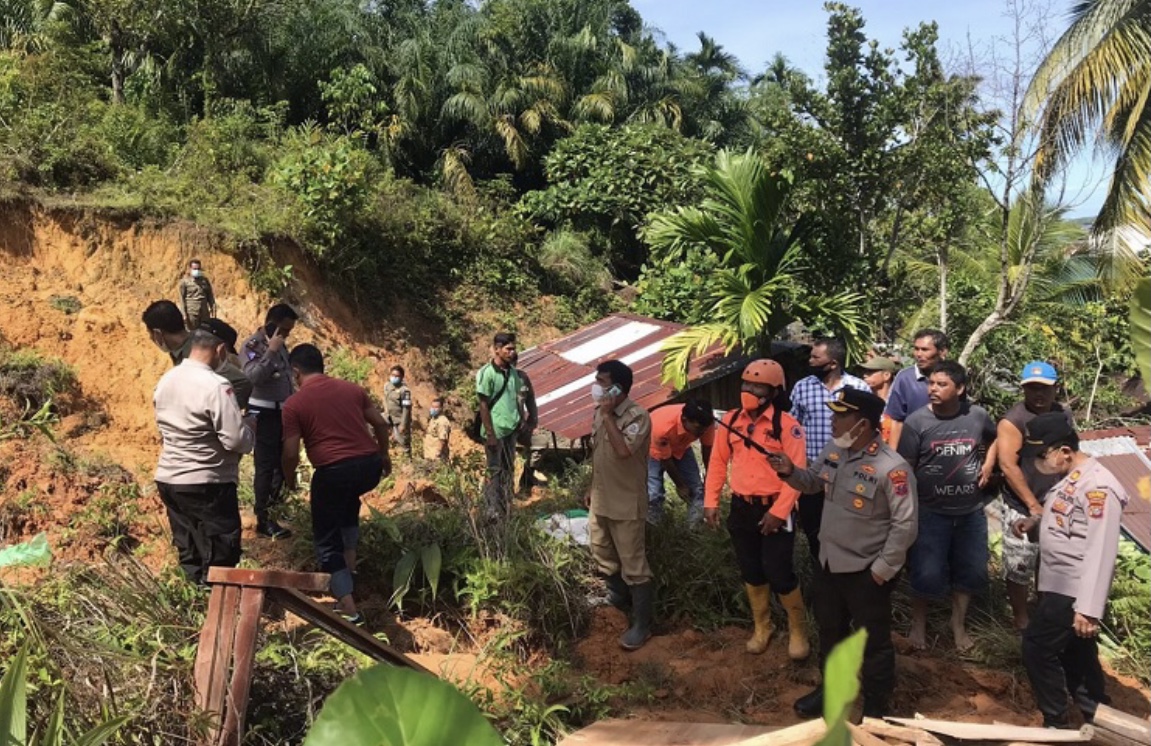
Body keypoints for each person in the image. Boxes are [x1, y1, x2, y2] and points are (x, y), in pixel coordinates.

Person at [771, 388, 918, 720]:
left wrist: (882, 570)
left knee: (872, 644)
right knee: (830, 632)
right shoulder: (835, 451)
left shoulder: (891, 468)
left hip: (867, 571)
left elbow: (905, 525)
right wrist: (788, 470)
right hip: (829, 563)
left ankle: (877, 708)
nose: (833, 421)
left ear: (862, 424)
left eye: (840, 416)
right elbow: (811, 482)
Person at [1011, 413, 1129, 729]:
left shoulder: (1098, 487)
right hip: (1058, 584)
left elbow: (1100, 549)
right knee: (1077, 657)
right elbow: (1066, 525)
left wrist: (1089, 609)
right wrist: (1034, 525)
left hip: (1072, 588)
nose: (1038, 463)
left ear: (1064, 451)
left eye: (1041, 456)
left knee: (1037, 647)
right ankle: (1100, 719)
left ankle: (1056, 720)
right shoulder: (1072, 479)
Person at [705, 359, 811, 660]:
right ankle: (763, 627)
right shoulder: (731, 420)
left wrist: (780, 511)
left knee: (779, 571)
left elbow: (797, 473)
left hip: (776, 508)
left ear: (773, 391)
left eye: (757, 385)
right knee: (751, 570)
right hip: (741, 507)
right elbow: (717, 462)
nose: (748, 390)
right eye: (746, 383)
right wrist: (711, 501)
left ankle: (798, 630)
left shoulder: (787, 427)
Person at [281, 344, 392, 626]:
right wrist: (384, 455)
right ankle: (351, 571)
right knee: (347, 506)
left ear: (296, 372)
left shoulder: (295, 404)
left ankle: (348, 608)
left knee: (326, 538)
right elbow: (380, 424)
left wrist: (289, 477)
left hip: (333, 471)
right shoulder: (352, 389)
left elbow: (291, 453)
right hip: (368, 467)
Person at [897, 360, 996, 651]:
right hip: (930, 511)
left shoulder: (977, 416)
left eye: (942, 384)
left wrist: (988, 465)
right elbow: (905, 466)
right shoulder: (917, 422)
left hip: (970, 512)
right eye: (931, 383)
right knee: (925, 572)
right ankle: (918, 626)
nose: (933, 389)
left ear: (960, 388)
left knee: (971, 570)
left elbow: (995, 439)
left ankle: (958, 624)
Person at [152, 328, 255, 584]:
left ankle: (194, 605)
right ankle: (218, 610)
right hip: (207, 481)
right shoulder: (217, 385)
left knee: (190, 551)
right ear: (220, 350)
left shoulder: (167, 379)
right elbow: (235, 440)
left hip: (170, 479)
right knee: (222, 553)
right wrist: (249, 427)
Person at [993, 361, 1074, 632]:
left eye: (1044, 389)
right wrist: (1032, 505)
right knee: (1020, 561)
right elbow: (1008, 465)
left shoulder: (1064, 413)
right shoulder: (1013, 420)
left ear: (1056, 389)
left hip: (1057, 499)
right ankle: (1020, 617)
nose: (1038, 394)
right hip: (1023, 502)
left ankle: (1044, 612)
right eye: (1032, 389)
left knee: (1050, 560)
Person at [588, 360, 654, 650]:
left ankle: (643, 624)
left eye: (602, 382)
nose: (596, 387)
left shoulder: (637, 416)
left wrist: (608, 415)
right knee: (600, 548)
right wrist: (592, 488)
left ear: (618, 387)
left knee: (634, 564)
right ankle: (617, 597)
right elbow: (599, 455)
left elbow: (623, 450)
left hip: (627, 503)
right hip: (602, 498)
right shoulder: (598, 414)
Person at [790, 338, 869, 565]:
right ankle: (821, 579)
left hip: (849, 475)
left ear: (833, 363)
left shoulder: (859, 388)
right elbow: (794, 430)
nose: (810, 360)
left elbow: (869, 431)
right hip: (813, 475)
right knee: (815, 532)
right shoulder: (802, 387)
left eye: (816, 357)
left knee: (848, 533)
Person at [242, 303, 299, 540]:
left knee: (280, 466)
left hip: (282, 414)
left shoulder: (282, 347)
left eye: (289, 331)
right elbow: (251, 377)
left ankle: (275, 512)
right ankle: (263, 519)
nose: (286, 335)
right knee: (266, 467)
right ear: (271, 323)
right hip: (263, 416)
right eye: (284, 329)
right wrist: (271, 352)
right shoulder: (253, 346)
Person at [141, 300, 252, 408]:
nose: (151, 338)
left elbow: (242, 384)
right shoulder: (179, 351)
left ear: (158, 334)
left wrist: (212, 415)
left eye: (150, 334)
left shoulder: (201, 348)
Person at [476, 332, 528, 521]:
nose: (512, 352)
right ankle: (491, 509)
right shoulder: (486, 373)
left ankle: (505, 505)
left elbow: (517, 399)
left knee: (508, 469)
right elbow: (483, 405)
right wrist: (490, 434)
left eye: (513, 348)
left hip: (511, 431)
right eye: (508, 349)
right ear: (497, 349)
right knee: (494, 470)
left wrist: (521, 420)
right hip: (495, 432)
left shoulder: (514, 373)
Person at [646, 400, 715, 526]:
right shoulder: (661, 428)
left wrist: (709, 476)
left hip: (681, 447)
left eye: (704, 430)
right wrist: (680, 485)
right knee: (654, 492)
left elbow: (707, 448)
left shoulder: (706, 423)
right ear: (684, 420)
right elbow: (666, 459)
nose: (701, 433)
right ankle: (655, 527)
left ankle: (694, 528)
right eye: (698, 429)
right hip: (652, 449)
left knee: (697, 489)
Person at [884, 329, 949, 448]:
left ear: (942, 352)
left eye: (925, 350)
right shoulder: (905, 378)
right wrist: (893, 458)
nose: (919, 354)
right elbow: (896, 421)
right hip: (913, 450)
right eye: (916, 349)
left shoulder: (953, 377)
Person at [514, 358, 539, 494]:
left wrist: (532, 420)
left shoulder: (522, 377)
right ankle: (505, 494)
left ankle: (527, 478)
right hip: (503, 430)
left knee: (541, 442)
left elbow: (530, 399)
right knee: (505, 462)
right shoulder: (496, 378)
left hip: (521, 427)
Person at [859, 356, 899, 445]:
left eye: (871, 372)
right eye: (865, 371)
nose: (865, 375)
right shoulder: (865, 402)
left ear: (886, 375)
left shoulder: (898, 402)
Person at [178, 259, 216, 331]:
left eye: (198, 269)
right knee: (191, 335)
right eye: (194, 269)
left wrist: (213, 308)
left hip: (204, 313)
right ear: (190, 269)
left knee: (205, 333)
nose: (197, 271)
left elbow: (210, 296)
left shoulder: (204, 281)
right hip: (192, 313)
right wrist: (184, 315)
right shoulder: (184, 282)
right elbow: (181, 299)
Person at [383, 365, 413, 457]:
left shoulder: (405, 391)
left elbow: (406, 408)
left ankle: (407, 461)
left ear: (401, 377)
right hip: (388, 416)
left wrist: (403, 424)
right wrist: (385, 412)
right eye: (392, 375)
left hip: (399, 419)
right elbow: (385, 399)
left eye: (397, 376)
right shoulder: (387, 386)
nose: (394, 377)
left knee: (403, 441)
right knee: (372, 425)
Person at [423, 397, 452, 462]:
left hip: (436, 457)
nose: (433, 409)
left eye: (436, 407)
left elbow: (442, 439)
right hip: (429, 454)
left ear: (441, 408)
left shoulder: (442, 421)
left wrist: (438, 453)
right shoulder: (433, 419)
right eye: (432, 407)